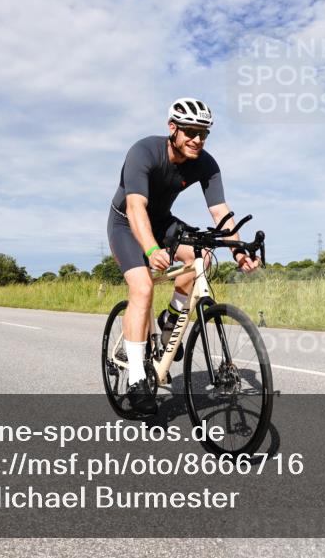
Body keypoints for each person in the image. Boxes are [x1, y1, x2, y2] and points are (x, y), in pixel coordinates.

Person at [108, 97, 260, 415]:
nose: (197, 140)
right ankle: (137, 380)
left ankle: (170, 320)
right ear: (172, 128)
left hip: (163, 222)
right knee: (143, 288)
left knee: (202, 257)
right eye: (191, 131)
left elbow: (220, 211)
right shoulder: (143, 152)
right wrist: (150, 249)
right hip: (126, 221)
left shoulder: (205, 162)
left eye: (204, 133)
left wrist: (238, 250)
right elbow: (136, 207)